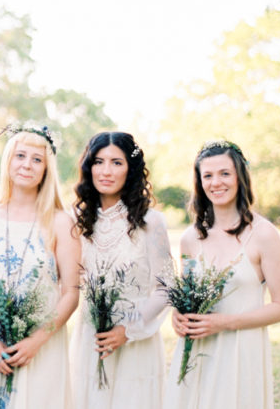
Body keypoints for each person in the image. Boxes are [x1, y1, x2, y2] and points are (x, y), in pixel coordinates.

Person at [163, 140, 280, 409]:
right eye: (207, 175)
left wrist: (224, 322)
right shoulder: (190, 238)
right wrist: (178, 317)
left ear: (239, 177)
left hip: (240, 352)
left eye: (224, 173)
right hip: (196, 353)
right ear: (199, 182)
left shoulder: (264, 234)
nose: (216, 183)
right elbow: (187, 297)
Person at [0, 124, 80, 409]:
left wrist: (35, 342)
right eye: (20, 156)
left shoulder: (61, 223)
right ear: (8, 161)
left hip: (41, 344)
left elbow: (71, 292)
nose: (27, 165)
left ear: (46, 169)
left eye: (36, 159)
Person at [71, 131, 173, 409]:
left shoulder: (151, 222)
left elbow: (166, 288)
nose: (106, 171)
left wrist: (127, 329)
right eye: (99, 162)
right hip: (91, 339)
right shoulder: (76, 222)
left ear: (130, 169)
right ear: (88, 167)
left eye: (117, 163)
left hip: (135, 342)